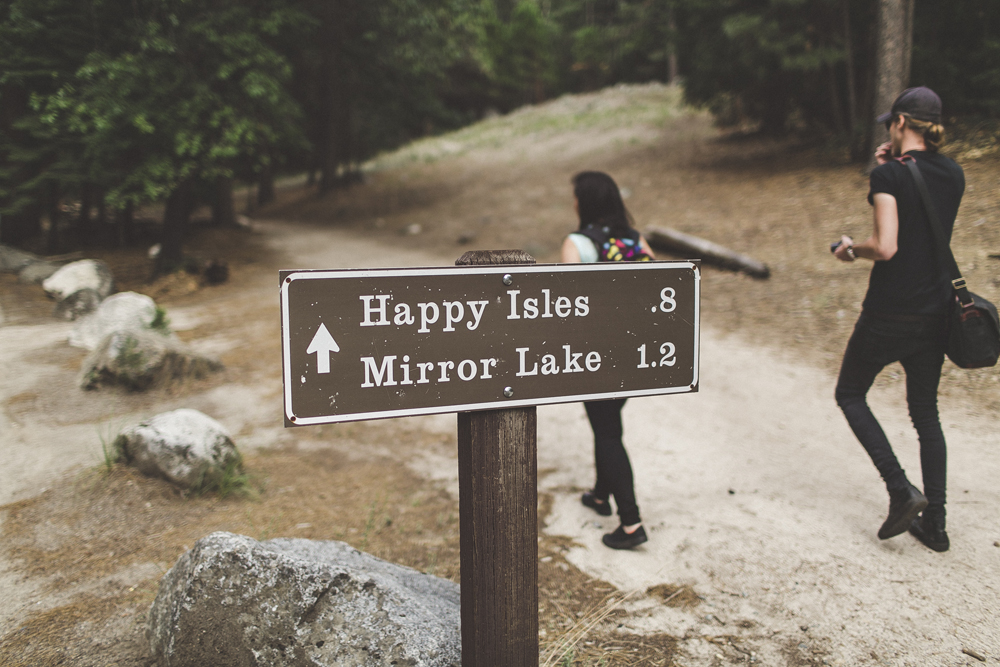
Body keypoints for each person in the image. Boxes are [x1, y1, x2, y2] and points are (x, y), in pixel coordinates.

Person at [833, 87, 964, 552]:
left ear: (902, 122)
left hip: (890, 311)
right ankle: (938, 525)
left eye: (892, 121)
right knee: (926, 415)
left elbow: (886, 245)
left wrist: (851, 249)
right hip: (935, 312)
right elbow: (923, 207)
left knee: (849, 393)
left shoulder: (888, 174)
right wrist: (892, 163)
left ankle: (900, 490)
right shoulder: (953, 172)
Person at [560, 170, 656, 550]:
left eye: (576, 196)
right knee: (609, 420)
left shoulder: (578, 244)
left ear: (585, 202)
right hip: (634, 353)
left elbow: (565, 306)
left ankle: (630, 523)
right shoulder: (636, 241)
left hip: (595, 355)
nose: (573, 202)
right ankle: (600, 495)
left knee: (607, 431)